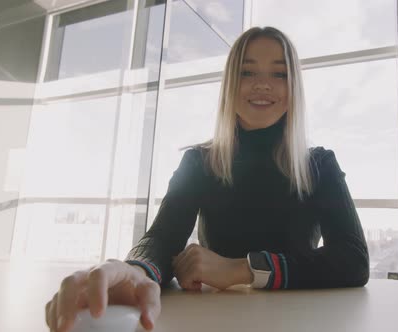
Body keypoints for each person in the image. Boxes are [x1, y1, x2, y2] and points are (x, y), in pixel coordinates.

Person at [45, 26, 369, 332]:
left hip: (302, 322)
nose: (262, 84)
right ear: (230, 83)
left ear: (293, 86)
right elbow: (162, 239)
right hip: (214, 319)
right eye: (247, 72)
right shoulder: (199, 162)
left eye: (279, 73)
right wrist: (135, 271)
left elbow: (353, 260)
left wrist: (241, 269)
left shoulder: (319, 164)